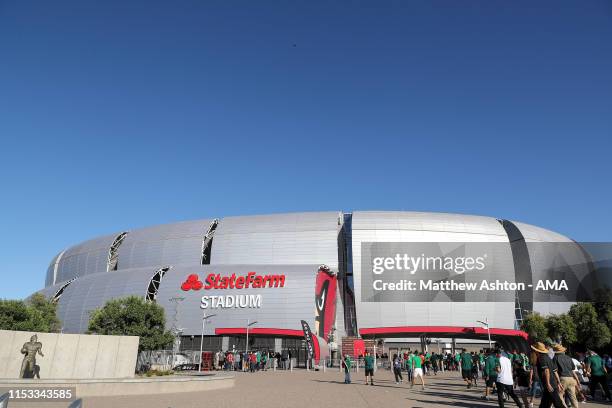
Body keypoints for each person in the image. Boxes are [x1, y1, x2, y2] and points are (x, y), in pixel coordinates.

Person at [531, 342, 565, 408]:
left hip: (550, 384)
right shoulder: (548, 357)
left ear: (536, 351)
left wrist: (548, 384)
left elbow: (546, 371)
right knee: (544, 404)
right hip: (552, 383)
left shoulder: (541, 358)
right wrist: (559, 382)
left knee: (558, 403)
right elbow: (555, 371)